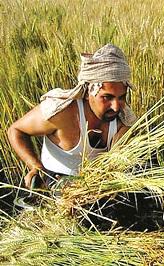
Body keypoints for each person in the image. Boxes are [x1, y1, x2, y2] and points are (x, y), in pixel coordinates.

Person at [7, 44, 136, 189]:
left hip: (96, 186)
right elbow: (16, 130)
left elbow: (114, 167)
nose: (116, 106)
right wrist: (35, 167)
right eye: (107, 97)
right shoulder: (61, 113)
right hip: (53, 183)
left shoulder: (123, 123)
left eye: (121, 97)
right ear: (88, 92)